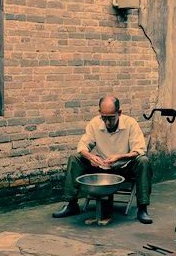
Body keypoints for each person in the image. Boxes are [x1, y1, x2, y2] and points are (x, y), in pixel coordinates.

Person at [52, 95, 153, 224]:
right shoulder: (95, 123)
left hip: (123, 167)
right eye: (104, 118)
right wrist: (90, 157)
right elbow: (82, 146)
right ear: (99, 112)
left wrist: (119, 157)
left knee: (143, 161)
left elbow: (139, 150)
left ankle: (142, 208)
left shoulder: (130, 123)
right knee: (75, 158)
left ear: (119, 112)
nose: (107, 122)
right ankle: (71, 204)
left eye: (111, 118)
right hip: (101, 166)